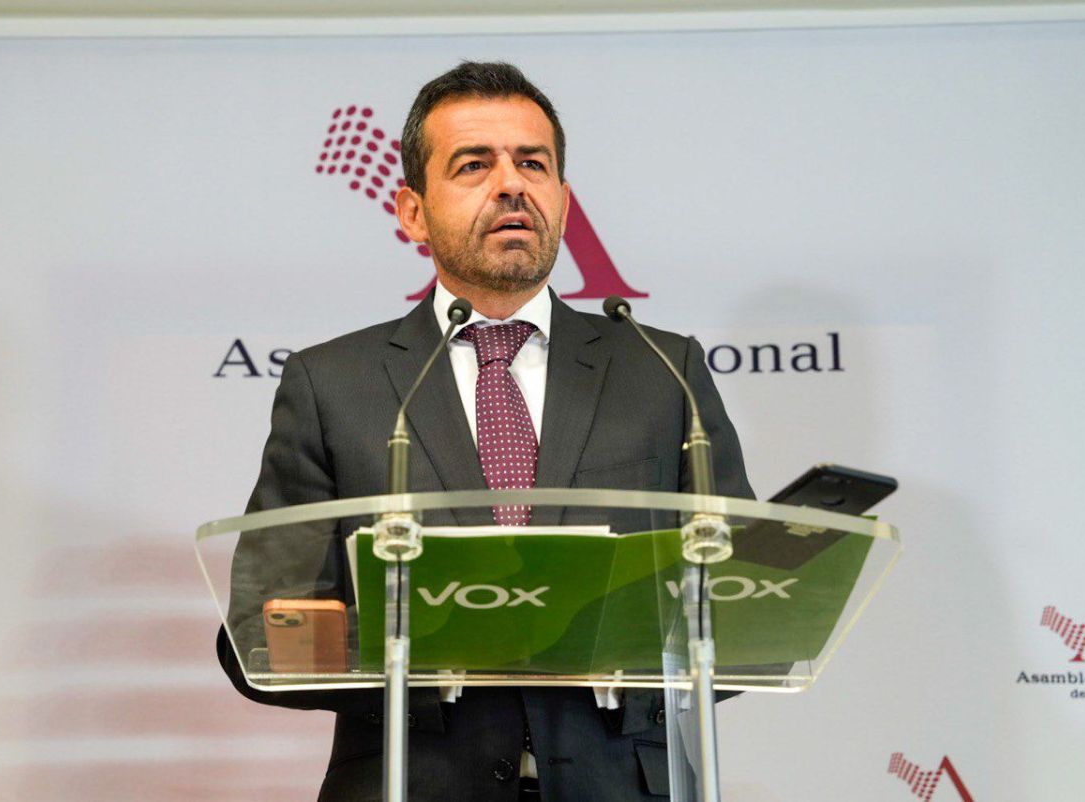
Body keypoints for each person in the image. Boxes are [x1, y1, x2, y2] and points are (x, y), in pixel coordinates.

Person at [218, 61, 753, 802]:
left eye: (532, 164)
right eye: (474, 165)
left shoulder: (662, 369)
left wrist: (618, 644)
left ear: (562, 199)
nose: (511, 185)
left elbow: (745, 611)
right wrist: (424, 644)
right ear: (412, 211)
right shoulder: (333, 384)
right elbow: (258, 632)